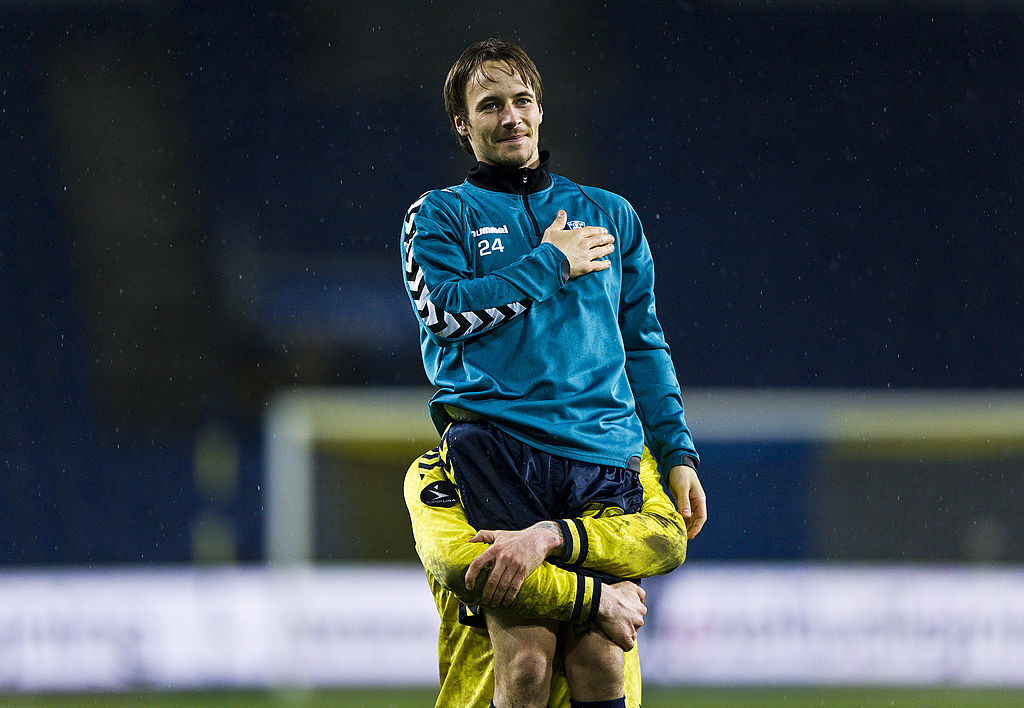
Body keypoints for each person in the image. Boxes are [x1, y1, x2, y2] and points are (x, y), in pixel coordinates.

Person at [400, 38, 706, 708]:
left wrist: (677, 449)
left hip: (600, 448)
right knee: (528, 664)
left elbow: (643, 343)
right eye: (490, 105)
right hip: (497, 446)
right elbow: (445, 313)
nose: (510, 116)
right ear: (463, 123)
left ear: (541, 109)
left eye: (522, 100)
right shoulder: (440, 215)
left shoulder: (612, 215)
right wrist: (549, 263)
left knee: (601, 655)